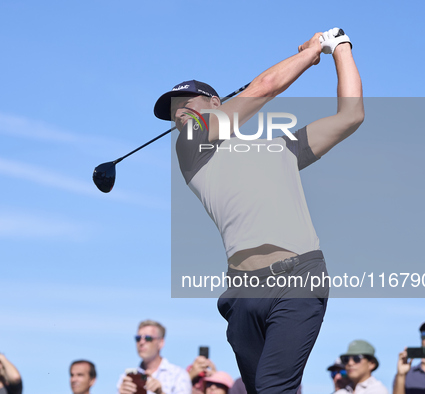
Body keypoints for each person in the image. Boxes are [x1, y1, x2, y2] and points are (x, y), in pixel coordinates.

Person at [154, 28, 363, 394]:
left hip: (299, 277)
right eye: (174, 111)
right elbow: (264, 87)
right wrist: (312, 52)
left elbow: (350, 116)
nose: (180, 113)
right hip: (242, 294)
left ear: (217, 104)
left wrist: (340, 47)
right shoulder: (190, 145)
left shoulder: (282, 150)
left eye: (188, 102)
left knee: (272, 389)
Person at [117, 320, 192, 394]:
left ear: (161, 342)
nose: (141, 342)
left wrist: (160, 392)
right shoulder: (126, 379)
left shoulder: (178, 375)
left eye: (148, 338)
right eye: (138, 338)